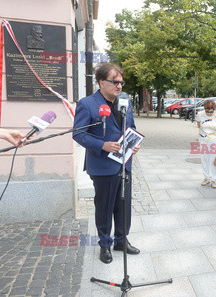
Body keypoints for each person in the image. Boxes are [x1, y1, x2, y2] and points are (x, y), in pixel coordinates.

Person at [73, 63, 140, 264]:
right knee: (104, 207)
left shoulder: (124, 102)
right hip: (103, 166)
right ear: (101, 82)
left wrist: (134, 143)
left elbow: (132, 127)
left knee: (123, 205)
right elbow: (79, 134)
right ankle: (104, 244)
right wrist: (102, 145)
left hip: (124, 164)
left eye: (121, 82)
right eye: (115, 82)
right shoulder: (87, 104)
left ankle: (121, 240)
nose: (119, 86)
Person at [197, 99, 216, 188]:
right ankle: (206, 178)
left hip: (214, 140)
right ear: (204, 108)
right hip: (203, 140)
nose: (208, 113)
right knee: (204, 159)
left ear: (214, 109)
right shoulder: (200, 114)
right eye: (207, 111)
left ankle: (213, 179)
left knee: (213, 160)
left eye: (211, 111)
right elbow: (198, 125)